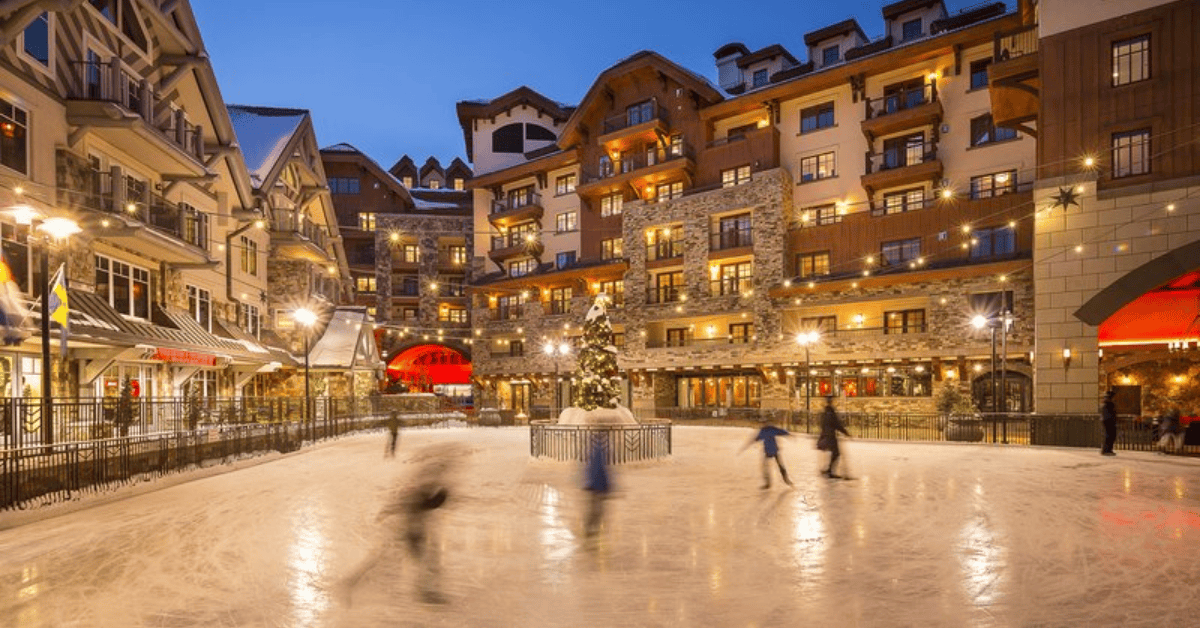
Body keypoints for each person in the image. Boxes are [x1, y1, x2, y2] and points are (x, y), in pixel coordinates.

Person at [740, 419, 793, 489]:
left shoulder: (770, 429)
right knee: (768, 467)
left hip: (773, 451)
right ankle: (769, 483)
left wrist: (789, 435)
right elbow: (755, 439)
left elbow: (781, 432)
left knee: (779, 466)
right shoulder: (764, 430)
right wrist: (747, 445)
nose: (764, 424)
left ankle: (786, 480)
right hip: (769, 451)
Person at [582, 438, 611, 536]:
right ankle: (591, 528)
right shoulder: (600, 452)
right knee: (597, 509)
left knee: (594, 508)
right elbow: (601, 470)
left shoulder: (594, 451)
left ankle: (590, 527)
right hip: (598, 486)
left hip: (595, 486)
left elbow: (591, 469)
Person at [817, 396, 850, 478]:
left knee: (834, 453)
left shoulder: (825, 412)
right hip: (830, 436)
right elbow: (836, 424)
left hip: (827, 435)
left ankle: (829, 470)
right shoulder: (830, 412)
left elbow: (823, 424)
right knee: (836, 453)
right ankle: (830, 471)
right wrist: (845, 432)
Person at [1100, 390, 1117, 456]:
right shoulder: (1109, 403)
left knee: (1108, 435)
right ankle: (1107, 450)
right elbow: (1112, 413)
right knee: (1110, 435)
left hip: (1106, 420)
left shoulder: (1105, 402)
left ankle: (1107, 450)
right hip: (1109, 421)